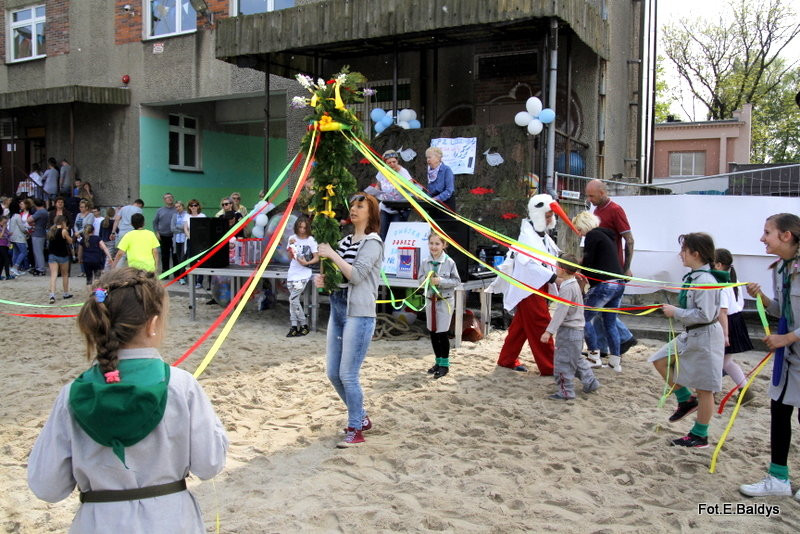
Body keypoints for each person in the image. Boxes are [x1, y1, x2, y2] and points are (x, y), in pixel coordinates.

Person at [27, 268, 228, 532]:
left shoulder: (71, 396)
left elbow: (47, 485)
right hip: (171, 521)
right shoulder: (182, 387)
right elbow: (209, 464)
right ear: (152, 324)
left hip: (99, 522)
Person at [739, 213, 800, 499]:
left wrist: (785, 337)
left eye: (767, 232)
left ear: (786, 235)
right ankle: (778, 479)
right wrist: (761, 297)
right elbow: (782, 310)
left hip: (793, 348)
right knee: (779, 411)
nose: (762, 238)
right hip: (788, 359)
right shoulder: (780, 269)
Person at [315, 193, 383, 448]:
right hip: (338, 307)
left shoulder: (373, 242)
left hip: (360, 312)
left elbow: (356, 275)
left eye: (360, 206)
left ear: (371, 213)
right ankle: (361, 417)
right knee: (333, 373)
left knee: (348, 374)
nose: (353, 209)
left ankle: (356, 428)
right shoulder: (345, 240)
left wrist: (332, 254)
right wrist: (323, 281)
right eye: (353, 205)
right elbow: (338, 274)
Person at [649, 232, 725, 448]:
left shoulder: (706, 281)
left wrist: (677, 312)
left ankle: (700, 435)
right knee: (660, 360)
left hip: (705, 336)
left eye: (684, 250)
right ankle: (685, 399)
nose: (681, 255)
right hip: (691, 333)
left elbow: (707, 314)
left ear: (696, 253)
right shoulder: (694, 277)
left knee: (704, 389)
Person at [496, 194, 576, 376]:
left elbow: (553, 255)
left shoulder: (541, 235)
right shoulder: (527, 236)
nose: (550, 219)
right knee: (541, 324)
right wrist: (554, 278)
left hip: (537, 286)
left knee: (521, 326)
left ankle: (506, 359)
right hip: (528, 288)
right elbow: (529, 264)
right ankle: (550, 366)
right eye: (547, 215)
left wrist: (571, 271)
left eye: (550, 215)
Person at [584, 179, 638, 356]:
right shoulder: (597, 210)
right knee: (603, 312)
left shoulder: (615, 210)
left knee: (602, 312)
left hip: (612, 270)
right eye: (588, 195)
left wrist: (625, 267)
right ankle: (603, 347)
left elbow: (629, 240)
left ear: (602, 193)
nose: (589, 199)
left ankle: (624, 338)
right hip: (602, 269)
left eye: (591, 195)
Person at [572, 211, 626, 372]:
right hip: (619, 282)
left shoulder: (592, 236)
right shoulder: (606, 236)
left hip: (604, 285)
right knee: (609, 323)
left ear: (584, 226)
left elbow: (589, 264)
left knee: (584, 317)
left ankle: (593, 356)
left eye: (579, 230)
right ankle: (615, 360)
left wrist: (579, 271)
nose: (579, 234)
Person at [542, 253, 600, 400]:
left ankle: (566, 391)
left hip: (569, 331)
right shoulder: (573, 283)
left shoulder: (567, 288)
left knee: (563, 362)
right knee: (575, 359)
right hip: (577, 331)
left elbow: (561, 312)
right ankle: (590, 382)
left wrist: (549, 331)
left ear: (561, 269)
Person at [714, 248, 755, 405]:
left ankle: (712, 392)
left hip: (728, 324)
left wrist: (725, 334)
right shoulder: (735, 281)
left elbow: (723, 312)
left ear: (718, 265)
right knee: (725, 362)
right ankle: (745, 391)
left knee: (721, 362)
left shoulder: (722, 285)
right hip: (736, 321)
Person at [418, 230, 460, 379]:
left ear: (444, 245)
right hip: (431, 301)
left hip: (444, 302)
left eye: (437, 244)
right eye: (431, 243)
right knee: (433, 333)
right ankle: (437, 361)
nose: (434, 247)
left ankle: (445, 365)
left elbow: (456, 281)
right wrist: (426, 280)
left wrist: (440, 281)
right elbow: (420, 278)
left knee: (442, 333)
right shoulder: (425, 262)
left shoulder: (449, 262)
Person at [285, 215, 319, 337]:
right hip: (292, 271)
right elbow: (290, 256)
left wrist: (307, 263)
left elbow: (317, 258)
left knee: (292, 299)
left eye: (304, 228)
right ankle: (294, 326)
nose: (302, 230)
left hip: (304, 273)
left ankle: (304, 324)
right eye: (300, 227)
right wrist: (290, 246)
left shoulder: (311, 240)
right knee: (293, 301)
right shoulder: (292, 238)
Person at [375, 150, 413, 242]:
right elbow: (378, 185)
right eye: (389, 163)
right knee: (382, 233)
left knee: (395, 234)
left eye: (394, 162)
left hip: (398, 208)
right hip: (385, 206)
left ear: (397, 161)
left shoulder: (403, 172)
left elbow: (411, 187)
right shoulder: (382, 171)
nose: (392, 164)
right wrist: (375, 192)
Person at [47, 215, 74, 303]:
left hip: (52, 254)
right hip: (62, 255)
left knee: (53, 275)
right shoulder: (64, 231)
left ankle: (52, 294)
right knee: (65, 274)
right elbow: (70, 241)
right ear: (63, 222)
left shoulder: (51, 230)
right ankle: (65, 293)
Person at [111, 199, 144, 266]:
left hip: (122, 233)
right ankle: (132, 272)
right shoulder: (138, 210)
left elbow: (117, 220)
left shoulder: (123, 208)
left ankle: (118, 273)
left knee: (121, 254)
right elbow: (139, 222)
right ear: (139, 204)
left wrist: (113, 232)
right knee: (133, 254)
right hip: (133, 233)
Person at [78, 225, 112, 289]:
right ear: (93, 231)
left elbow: (80, 251)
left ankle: (90, 293)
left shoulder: (83, 240)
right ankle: (97, 292)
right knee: (97, 278)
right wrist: (110, 257)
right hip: (97, 260)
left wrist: (80, 259)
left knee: (89, 278)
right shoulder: (97, 238)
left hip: (87, 260)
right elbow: (104, 248)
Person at [424, 146, 456, 213]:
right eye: (427, 158)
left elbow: (449, 190)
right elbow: (430, 191)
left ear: (438, 158)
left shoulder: (447, 170)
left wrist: (436, 199)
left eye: (430, 157)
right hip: (433, 204)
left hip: (446, 204)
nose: (428, 160)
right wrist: (426, 198)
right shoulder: (429, 171)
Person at [185, 199, 207, 289]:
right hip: (190, 240)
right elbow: (185, 228)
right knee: (192, 261)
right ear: (189, 207)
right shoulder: (187, 216)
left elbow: (205, 228)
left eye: (195, 205)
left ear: (198, 206)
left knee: (200, 261)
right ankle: (192, 281)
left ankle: (199, 281)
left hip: (200, 241)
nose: (193, 207)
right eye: (191, 205)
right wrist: (190, 236)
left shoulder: (202, 215)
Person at [153, 193, 177, 275]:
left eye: (170, 197)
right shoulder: (160, 210)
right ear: (164, 200)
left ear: (173, 198)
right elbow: (155, 222)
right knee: (164, 255)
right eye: (167, 198)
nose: (169, 199)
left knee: (175, 255)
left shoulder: (177, 209)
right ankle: (165, 272)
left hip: (175, 236)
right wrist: (157, 232)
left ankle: (176, 274)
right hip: (163, 236)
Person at [9, 197, 31, 276]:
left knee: (16, 253)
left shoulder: (11, 216)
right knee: (24, 252)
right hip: (19, 237)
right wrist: (26, 231)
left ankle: (14, 268)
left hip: (13, 237)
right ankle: (15, 267)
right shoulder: (17, 216)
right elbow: (21, 227)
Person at [171, 201, 189, 284]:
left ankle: (181, 277)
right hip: (177, 240)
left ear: (183, 206)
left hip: (184, 240)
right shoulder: (175, 215)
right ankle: (184, 275)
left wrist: (179, 227)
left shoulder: (187, 215)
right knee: (179, 259)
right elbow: (172, 228)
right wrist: (182, 228)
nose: (178, 208)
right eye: (176, 207)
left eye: (179, 206)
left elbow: (188, 228)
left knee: (183, 258)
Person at [30, 198, 49, 276]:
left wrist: (33, 224)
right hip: (41, 232)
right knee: (38, 251)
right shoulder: (44, 211)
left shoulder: (40, 212)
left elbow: (29, 220)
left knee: (38, 252)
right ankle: (38, 267)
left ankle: (40, 268)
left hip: (38, 233)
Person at [0, 215, 13, 280]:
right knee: (6, 260)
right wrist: (4, 229)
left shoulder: (4, 227)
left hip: (5, 245)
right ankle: (8, 275)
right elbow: (0, 236)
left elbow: (7, 234)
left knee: (2, 261)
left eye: (6, 222)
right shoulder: (2, 227)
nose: (5, 224)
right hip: (1, 245)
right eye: (4, 222)